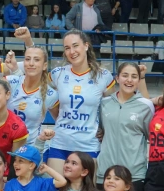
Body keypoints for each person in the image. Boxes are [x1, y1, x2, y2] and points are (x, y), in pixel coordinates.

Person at [0, 29, 58, 154]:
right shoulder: (12, 81)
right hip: (3, 146)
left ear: (45, 65)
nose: (31, 63)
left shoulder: (51, 94)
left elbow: (61, 121)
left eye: (36, 60)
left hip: (30, 149)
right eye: (27, 59)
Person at [45, 30, 115, 174]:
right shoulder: (57, 74)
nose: (72, 51)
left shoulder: (103, 76)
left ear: (86, 46)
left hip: (88, 145)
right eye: (67, 48)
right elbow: (44, 93)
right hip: (60, 143)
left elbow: (112, 107)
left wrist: (104, 128)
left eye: (75, 46)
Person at [96, 62, 153, 191]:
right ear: (117, 78)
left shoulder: (145, 106)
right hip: (105, 173)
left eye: (134, 76)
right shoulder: (104, 103)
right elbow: (101, 132)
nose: (129, 80)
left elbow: (152, 137)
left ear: (139, 81)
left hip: (134, 175)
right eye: (125, 75)